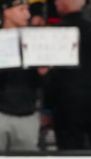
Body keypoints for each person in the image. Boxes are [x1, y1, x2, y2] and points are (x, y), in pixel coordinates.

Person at [44, 0, 91, 149]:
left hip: (66, 103)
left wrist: (47, 107)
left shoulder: (55, 32)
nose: (55, 3)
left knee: (70, 154)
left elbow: (53, 75)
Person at [0, 0, 43, 151]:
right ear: (7, 12)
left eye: (28, 10)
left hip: (27, 115)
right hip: (1, 115)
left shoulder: (34, 42)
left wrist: (42, 74)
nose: (28, 14)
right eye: (22, 9)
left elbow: (40, 83)